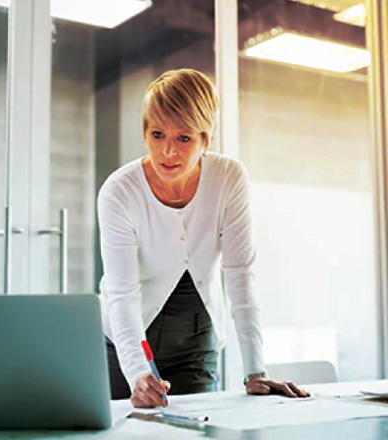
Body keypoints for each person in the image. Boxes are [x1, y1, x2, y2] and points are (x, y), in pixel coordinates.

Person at [97, 68, 310, 408]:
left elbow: (240, 272)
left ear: (206, 139)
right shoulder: (119, 192)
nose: (168, 152)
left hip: (196, 341)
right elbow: (122, 294)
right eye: (157, 134)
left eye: (184, 138)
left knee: (197, 431)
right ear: (144, 132)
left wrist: (255, 371)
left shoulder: (228, 178)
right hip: (123, 341)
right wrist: (138, 374)